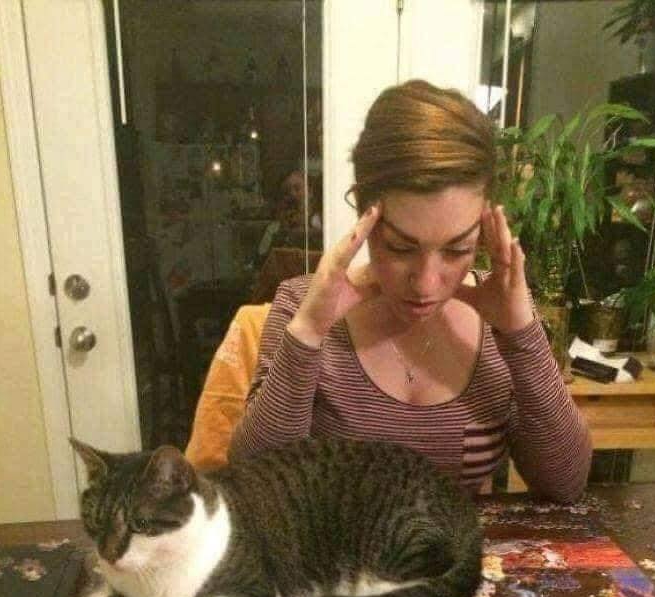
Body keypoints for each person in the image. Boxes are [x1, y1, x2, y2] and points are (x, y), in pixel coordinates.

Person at [223, 80, 593, 502]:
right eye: (400, 247)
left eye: (458, 249)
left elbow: (566, 484)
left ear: (486, 224)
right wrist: (308, 332)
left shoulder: (501, 318)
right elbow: (254, 486)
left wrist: (522, 334)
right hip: (333, 544)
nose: (426, 283)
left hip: (460, 543)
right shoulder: (300, 304)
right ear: (363, 210)